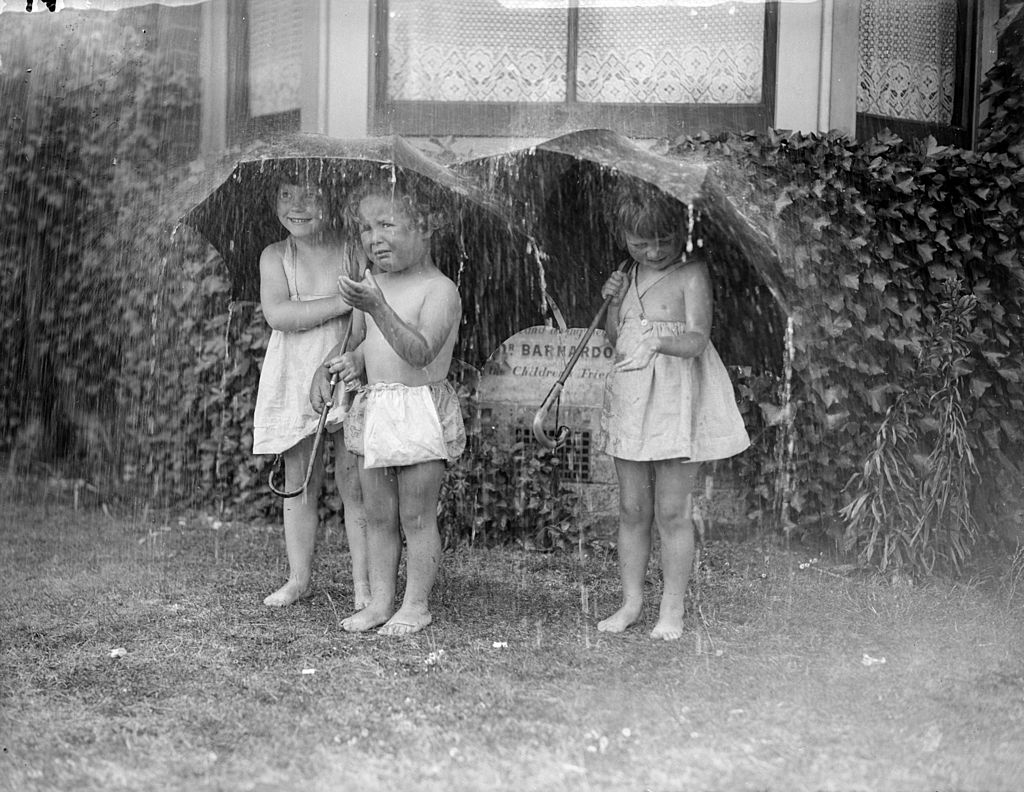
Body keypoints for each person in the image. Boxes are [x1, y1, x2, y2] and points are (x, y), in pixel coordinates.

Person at [310, 174, 465, 636]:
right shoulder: (371, 284)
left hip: (419, 410)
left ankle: (416, 604)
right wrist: (339, 363)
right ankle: (380, 602)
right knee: (378, 514)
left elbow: (420, 353)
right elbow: (361, 342)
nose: (373, 238)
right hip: (376, 408)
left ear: (426, 226)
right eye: (365, 228)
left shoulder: (439, 290)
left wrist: (377, 306)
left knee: (416, 515)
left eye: (387, 225)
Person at [597, 182, 750, 641]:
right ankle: (631, 602)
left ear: (680, 232)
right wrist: (613, 303)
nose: (653, 251)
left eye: (663, 240)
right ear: (623, 236)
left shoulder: (692, 273)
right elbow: (615, 339)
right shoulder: (626, 274)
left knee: (672, 511)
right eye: (640, 242)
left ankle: (672, 607)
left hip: (676, 400)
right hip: (632, 398)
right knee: (632, 508)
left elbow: (698, 338)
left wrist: (660, 343)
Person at [253, 173, 369, 610]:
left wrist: (347, 351)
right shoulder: (275, 256)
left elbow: (363, 321)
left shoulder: (353, 249)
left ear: (331, 197)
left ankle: (364, 585)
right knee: (299, 480)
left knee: (355, 482)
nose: (296, 206)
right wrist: (343, 301)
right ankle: (298, 578)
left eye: (310, 195)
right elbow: (278, 314)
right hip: (295, 374)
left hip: (345, 367)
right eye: (286, 194)